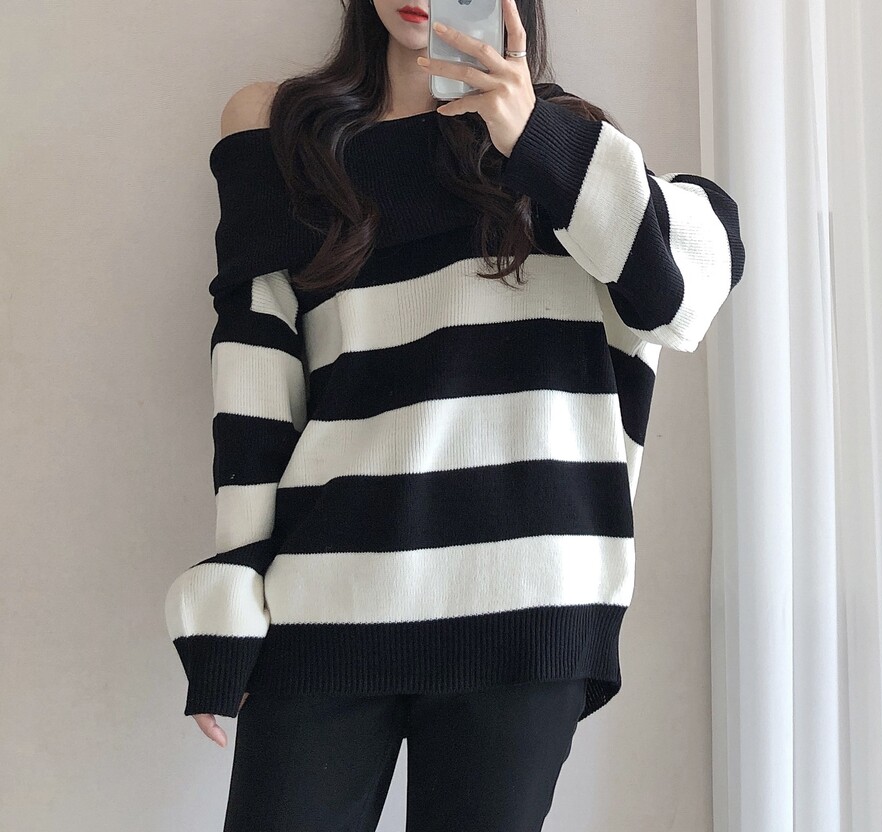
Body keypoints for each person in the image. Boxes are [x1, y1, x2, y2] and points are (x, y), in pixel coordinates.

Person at [164, 0, 746, 828]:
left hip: (525, 601)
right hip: (327, 593)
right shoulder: (282, 131)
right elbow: (254, 373)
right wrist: (235, 588)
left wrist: (534, 136)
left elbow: (678, 296)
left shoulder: (566, 145)